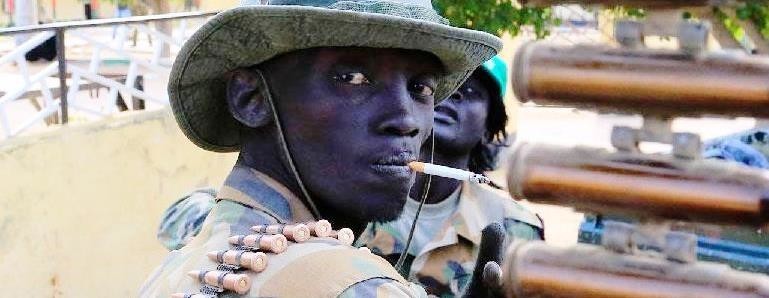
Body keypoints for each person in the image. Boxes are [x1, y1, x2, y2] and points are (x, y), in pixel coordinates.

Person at [139, 0, 503, 297]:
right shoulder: (356, 286)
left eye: (421, 88)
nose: (406, 119)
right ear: (251, 99)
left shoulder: (178, 269)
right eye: (352, 78)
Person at [357, 56, 543, 296]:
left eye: (469, 90)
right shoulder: (350, 203)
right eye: (433, 86)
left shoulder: (518, 231)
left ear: (489, 128)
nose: (452, 94)